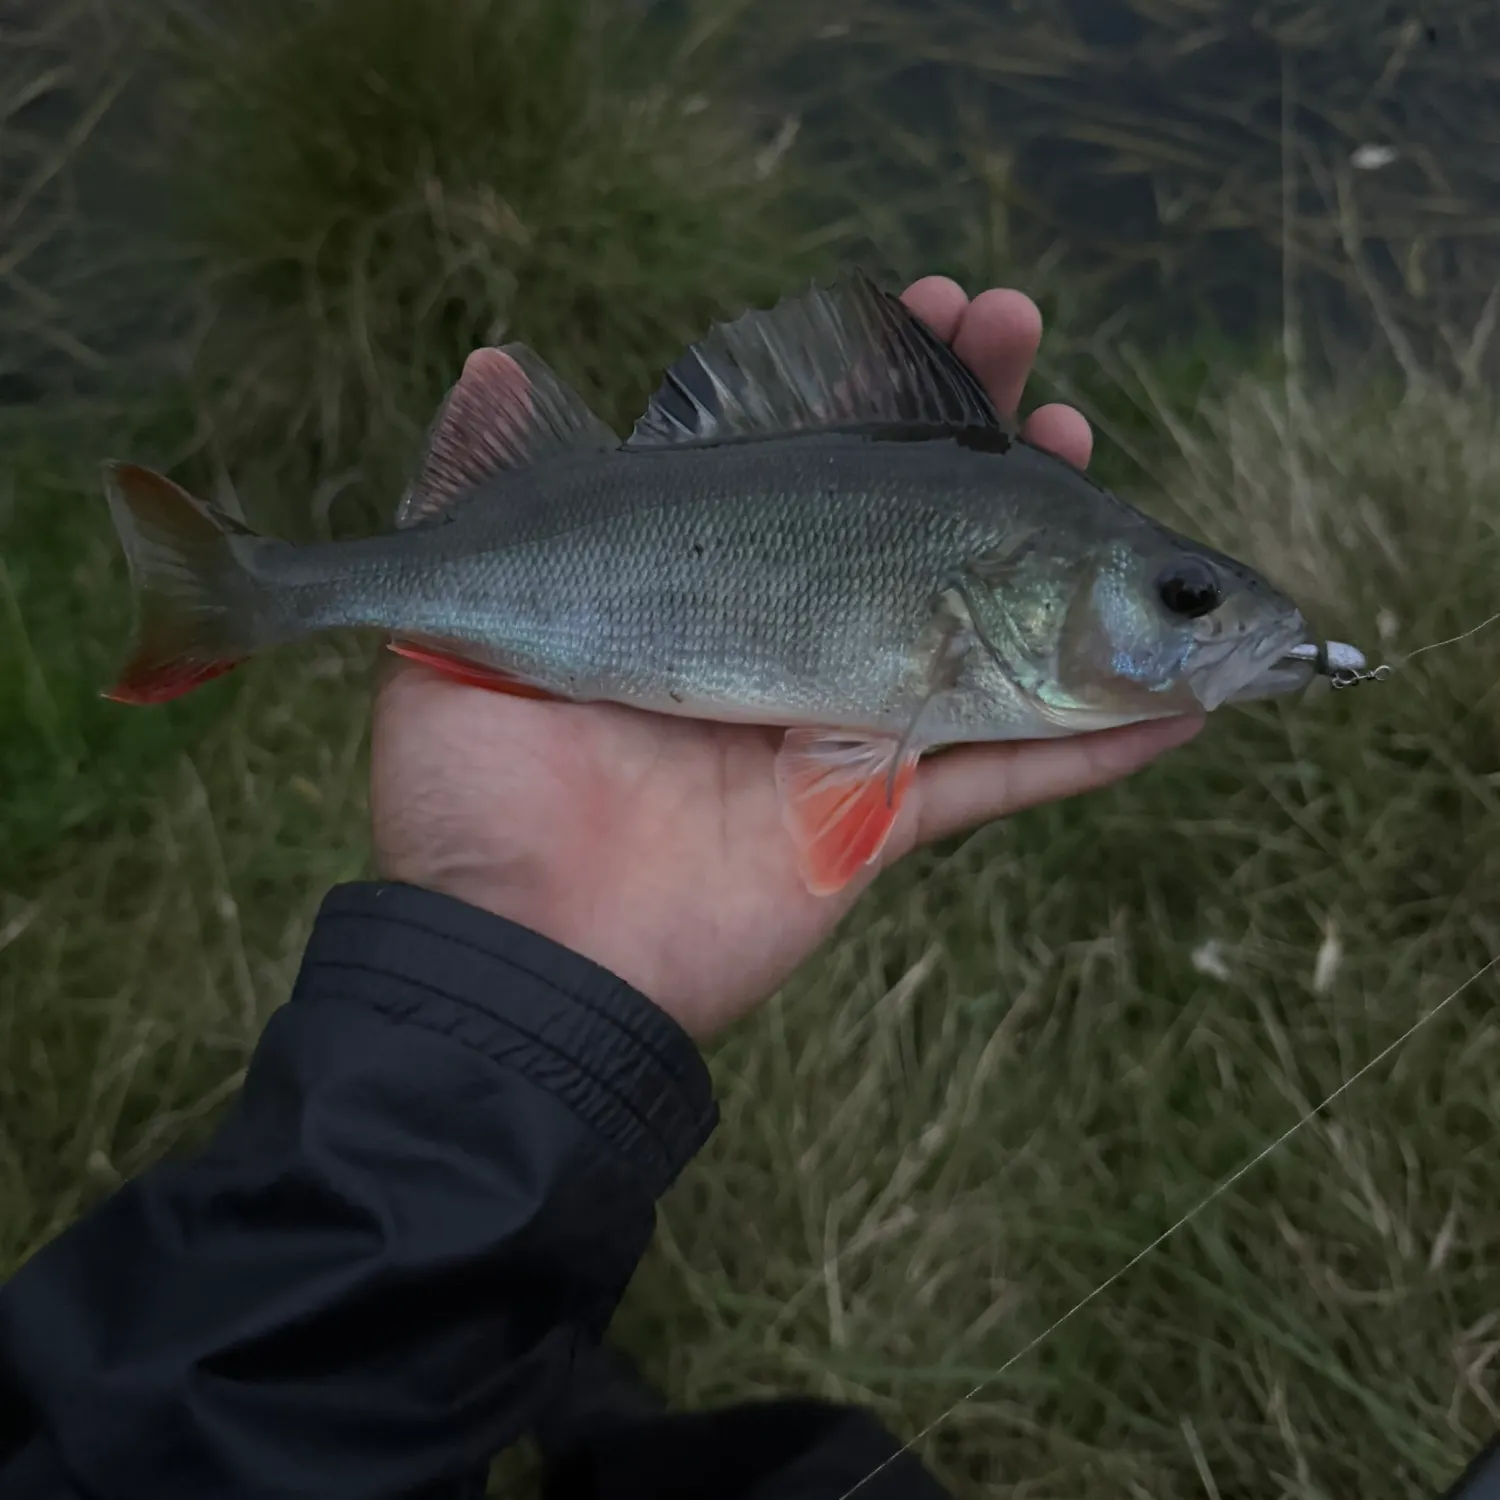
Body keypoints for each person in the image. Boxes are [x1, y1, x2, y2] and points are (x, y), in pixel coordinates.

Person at [2, 274, 1461, 1500]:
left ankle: (559, 1388)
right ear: (1010, 585)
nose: (1203, 623)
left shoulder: (991, 604)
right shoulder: (973, 584)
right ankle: (246, 588)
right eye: (1183, 598)